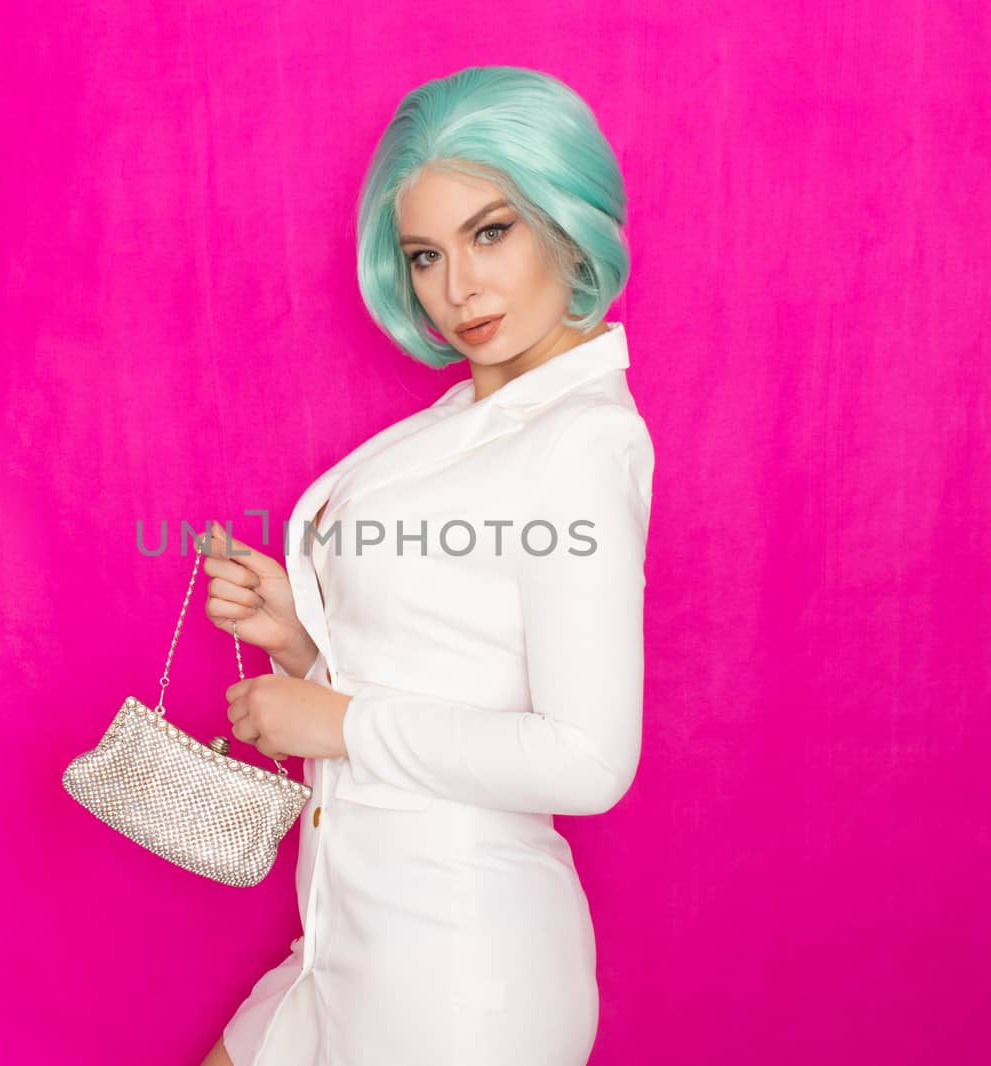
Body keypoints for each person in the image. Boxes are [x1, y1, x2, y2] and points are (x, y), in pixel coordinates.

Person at [196, 64, 654, 1066]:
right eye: (424, 254)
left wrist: (338, 720)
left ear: (562, 217)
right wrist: (301, 640)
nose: (458, 289)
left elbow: (587, 758)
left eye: (491, 232)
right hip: (343, 931)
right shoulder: (470, 421)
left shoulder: (579, 443)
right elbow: (448, 662)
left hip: (457, 972)